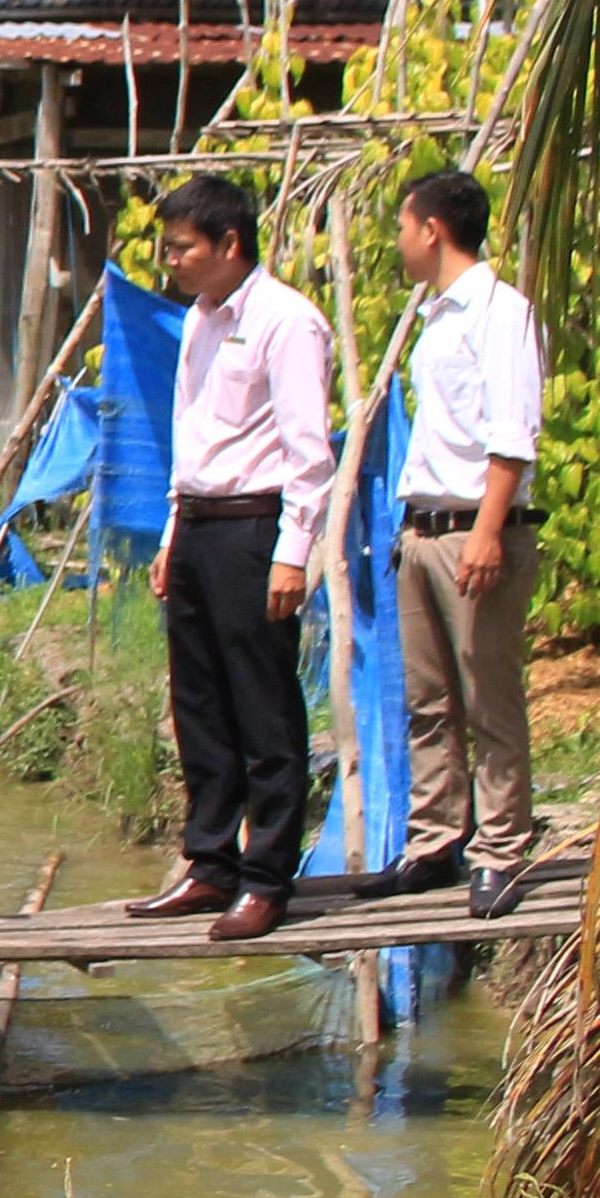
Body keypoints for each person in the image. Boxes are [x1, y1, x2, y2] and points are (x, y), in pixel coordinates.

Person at [132, 173, 337, 942]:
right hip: (198, 524)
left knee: (263, 704)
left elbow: (308, 452)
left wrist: (294, 552)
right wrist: (170, 534)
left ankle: (267, 875)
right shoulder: (198, 321)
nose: (172, 261)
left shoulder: (288, 322)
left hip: (255, 530)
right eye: (168, 246)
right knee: (200, 703)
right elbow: (192, 435)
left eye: (183, 247)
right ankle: (210, 862)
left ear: (228, 244)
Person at [377, 168, 546, 917]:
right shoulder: (436, 315)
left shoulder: (500, 312)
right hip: (425, 529)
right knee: (429, 699)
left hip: (476, 531)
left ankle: (502, 848)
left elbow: (513, 432)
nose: (398, 240)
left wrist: (487, 531)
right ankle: (434, 840)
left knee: (489, 697)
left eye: (402, 225)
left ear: (433, 229)